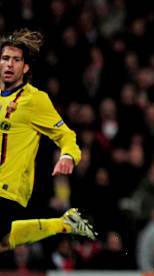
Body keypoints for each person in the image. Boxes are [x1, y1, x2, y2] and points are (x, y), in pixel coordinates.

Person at [0, 29, 95, 256]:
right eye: (5, 58)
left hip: (8, 188)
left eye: (16, 60)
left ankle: (64, 224)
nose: (9, 64)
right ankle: (65, 224)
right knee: (3, 243)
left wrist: (68, 156)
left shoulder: (35, 100)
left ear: (25, 67)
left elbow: (67, 135)